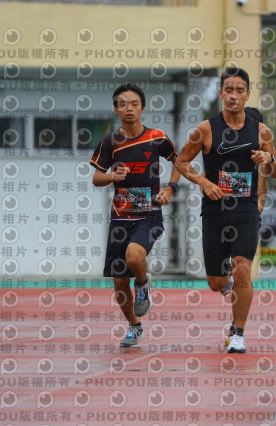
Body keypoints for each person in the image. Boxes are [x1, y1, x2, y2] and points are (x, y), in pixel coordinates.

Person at [175, 67, 276, 354]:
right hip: (215, 210)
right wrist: (204, 182)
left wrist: (268, 158)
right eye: (229, 90)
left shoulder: (262, 131)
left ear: (248, 94)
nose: (234, 96)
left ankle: (238, 334)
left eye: (239, 90)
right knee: (216, 282)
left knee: (243, 268)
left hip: (246, 209)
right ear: (221, 93)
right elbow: (181, 162)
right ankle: (229, 285)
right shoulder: (206, 129)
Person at [90, 83, 181, 348]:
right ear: (116, 109)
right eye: (122, 104)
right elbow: (96, 178)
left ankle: (142, 283)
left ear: (143, 108)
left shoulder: (156, 137)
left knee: (134, 255)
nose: (128, 108)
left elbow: (180, 161)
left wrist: (170, 189)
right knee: (119, 282)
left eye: (133, 104)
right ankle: (134, 326)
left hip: (149, 215)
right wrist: (112, 176)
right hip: (120, 218)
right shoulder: (110, 141)